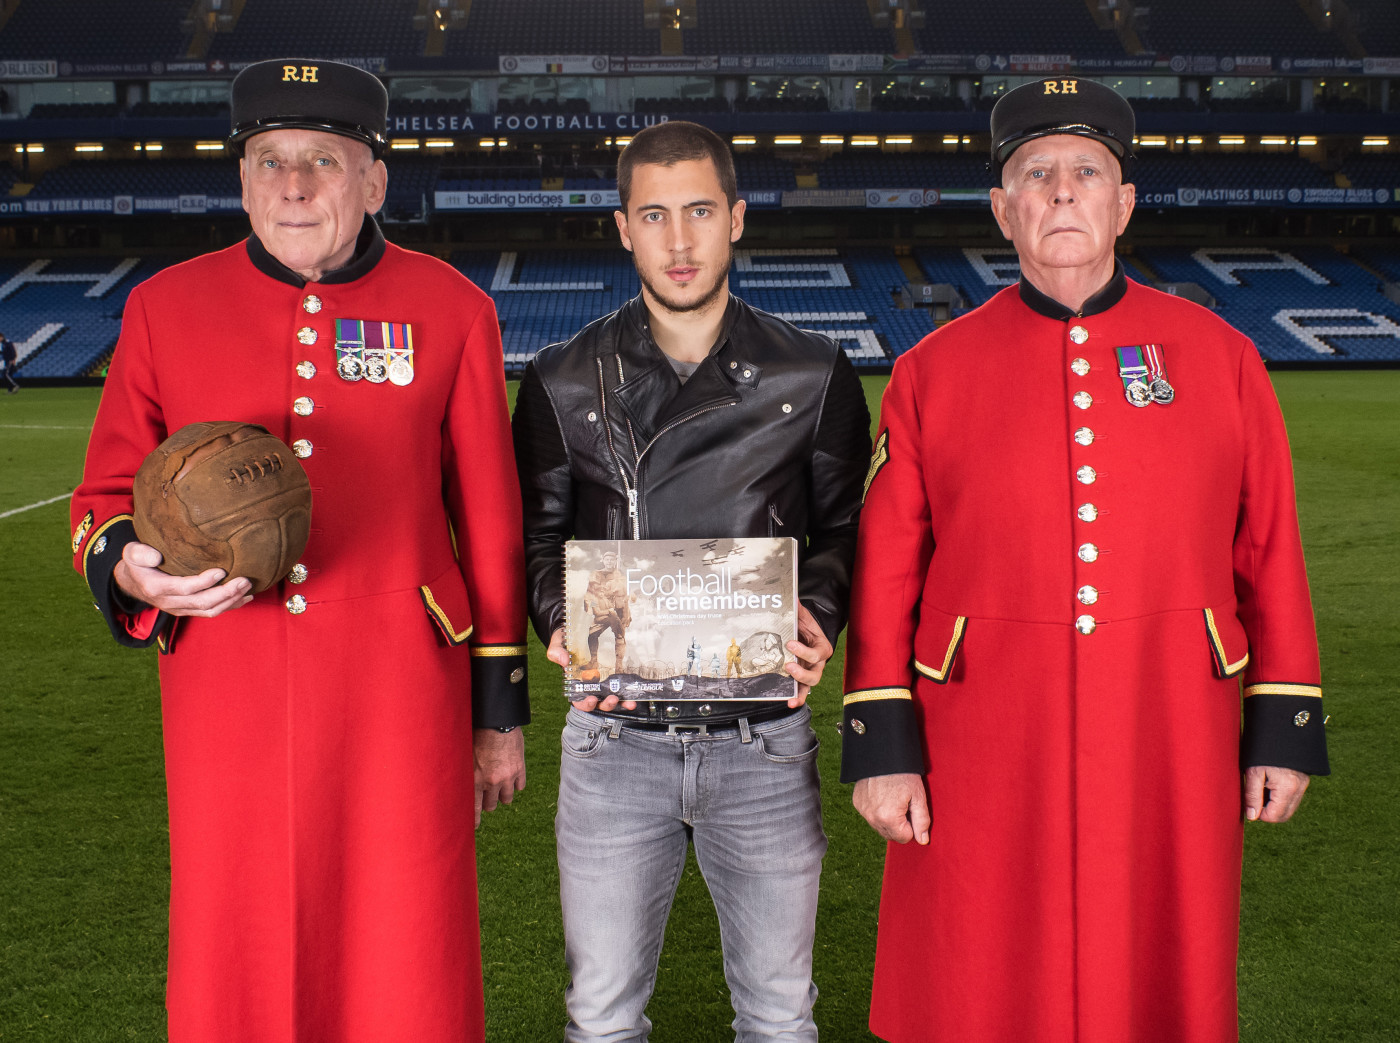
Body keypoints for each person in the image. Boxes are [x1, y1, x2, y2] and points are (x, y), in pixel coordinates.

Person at [841, 77, 1329, 1043]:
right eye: (1035, 174)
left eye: (1086, 173)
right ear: (1002, 209)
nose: (1061, 192)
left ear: (1123, 202)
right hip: (982, 719)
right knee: (978, 955)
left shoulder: (1222, 354)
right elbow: (887, 565)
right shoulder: (929, 370)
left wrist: (1282, 722)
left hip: (1172, 715)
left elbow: (1268, 542)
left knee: (1160, 954)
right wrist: (882, 744)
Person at [68, 59, 529, 1043]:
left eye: (324, 159)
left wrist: (497, 714)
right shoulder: (163, 307)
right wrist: (123, 562)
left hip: (403, 688)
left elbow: (489, 521)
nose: (292, 184)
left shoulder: (453, 309)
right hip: (224, 686)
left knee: (406, 927)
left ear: (373, 182)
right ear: (240, 180)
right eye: (269, 160)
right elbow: (105, 493)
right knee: (234, 923)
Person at [512, 119, 871, 1042]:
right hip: (612, 739)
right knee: (599, 1018)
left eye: (701, 212)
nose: (679, 242)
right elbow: (539, 536)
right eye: (656, 215)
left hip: (762, 740)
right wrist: (558, 618)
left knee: (781, 1015)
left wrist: (818, 612)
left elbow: (842, 528)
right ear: (622, 227)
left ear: (737, 219)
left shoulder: (815, 369)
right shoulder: (560, 378)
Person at [582, 548, 630, 675]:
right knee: (592, 635)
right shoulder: (596, 574)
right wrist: (593, 608)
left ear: (615, 561)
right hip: (602, 609)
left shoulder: (621, 575)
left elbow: (625, 597)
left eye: (612, 559)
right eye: (607, 559)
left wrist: (626, 614)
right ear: (603, 560)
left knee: (619, 637)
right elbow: (590, 594)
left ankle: (619, 668)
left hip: (617, 611)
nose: (609, 562)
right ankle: (593, 661)